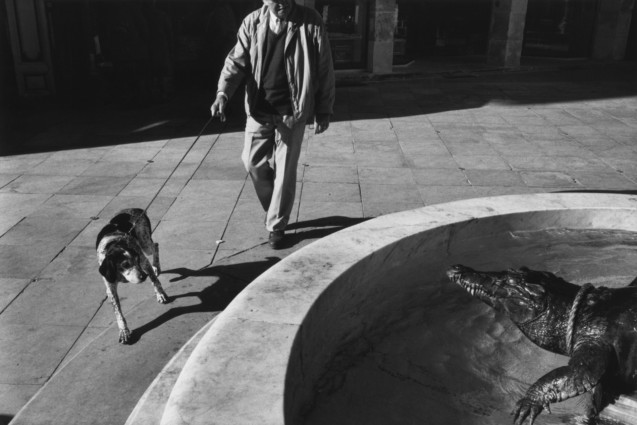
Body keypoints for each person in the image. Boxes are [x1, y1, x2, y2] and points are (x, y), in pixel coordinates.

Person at [210, 0, 335, 249]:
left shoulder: (310, 21)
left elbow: (324, 66)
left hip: (293, 111)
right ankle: (275, 207)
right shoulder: (252, 22)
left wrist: (324, 110)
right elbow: (236, 61)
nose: (284, 4)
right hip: (259, 109)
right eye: (278, 1)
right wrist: (223, 93)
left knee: (285, 171)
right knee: (252, 162)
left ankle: (276, 226)